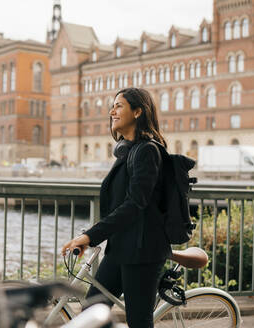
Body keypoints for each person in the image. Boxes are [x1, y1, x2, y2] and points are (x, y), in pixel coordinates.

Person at [61, 88, 171, 328]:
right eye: (113, 106)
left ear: (138, 111)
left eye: (119, 106)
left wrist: (90, 235)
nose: (112, 111)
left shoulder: (147, 151)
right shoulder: (128, 151)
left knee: (138, 321)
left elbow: (134, 205)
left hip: (142, 252)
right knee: (92, 312)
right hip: (122, 247)